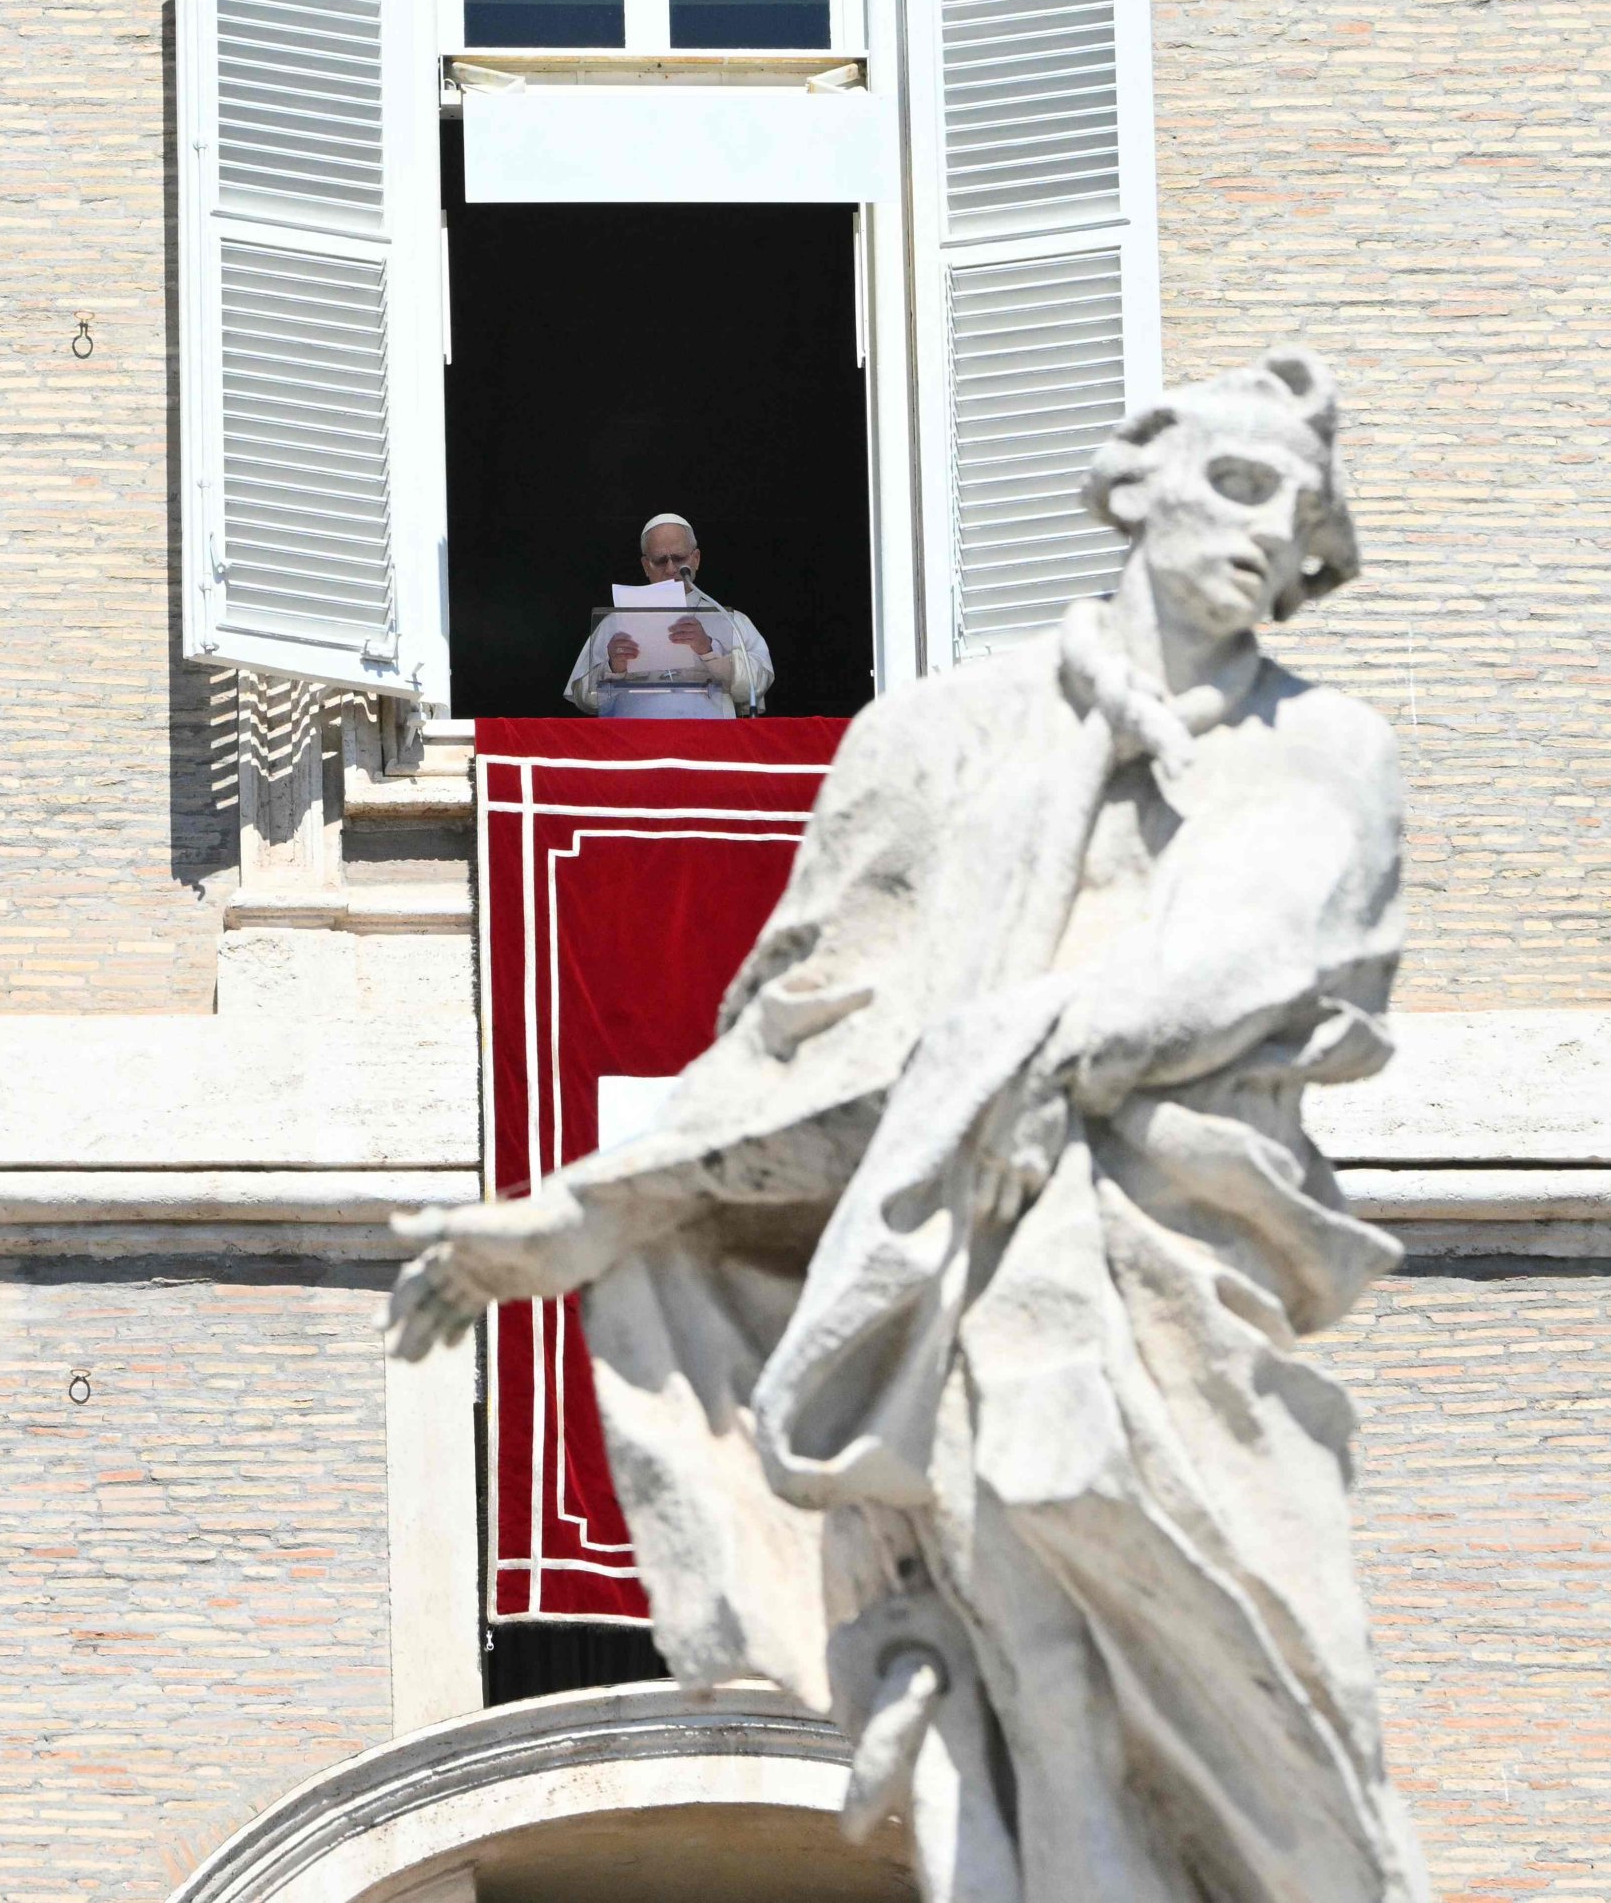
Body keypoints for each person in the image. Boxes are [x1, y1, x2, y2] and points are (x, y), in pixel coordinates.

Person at [389, 352, 1422, 1903]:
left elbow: (1234, 964)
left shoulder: (1319, 749)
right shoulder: (939, 741)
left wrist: (1002, 1046)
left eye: (1299, 510)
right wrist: (600, 1205)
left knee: (1293, 1712)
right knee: (1043, 1694)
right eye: (1234, 482)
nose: (1266, 533)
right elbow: (813, 1045)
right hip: (982, 1281)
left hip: (1186, 1289)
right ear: (1131, 483)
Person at [563, 511, 775, 719]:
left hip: (709, 743)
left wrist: (709, 650)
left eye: (679, 557)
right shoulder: (614, 623)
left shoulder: (730, 620)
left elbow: (756, 686)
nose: (671, 568)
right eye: (661, 560)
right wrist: (613, 668)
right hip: (635, 743)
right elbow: (584, 699)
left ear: (696, 559)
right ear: (646, 566)